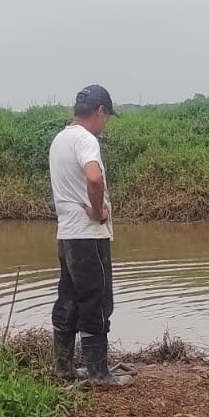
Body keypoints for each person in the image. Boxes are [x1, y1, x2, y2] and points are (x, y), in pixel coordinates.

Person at [48, 84, 129, 387]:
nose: (105, 123)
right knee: (96, 299)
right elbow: (93, 176)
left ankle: (64, 366)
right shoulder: (85, 139)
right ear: (100, 112)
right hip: (88, 235)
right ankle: (98, 373)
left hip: (67, 234)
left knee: (69, 297)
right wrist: (98, 210)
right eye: (106, 117)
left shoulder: (60, 138)